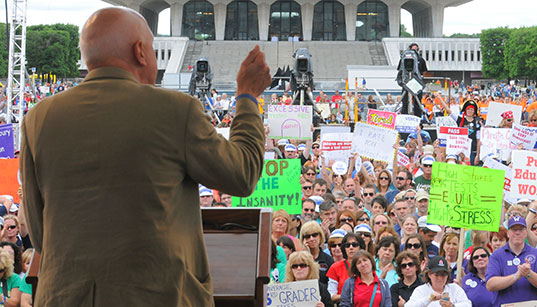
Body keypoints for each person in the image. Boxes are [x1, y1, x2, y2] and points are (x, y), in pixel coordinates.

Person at [19, 7, 270, 306]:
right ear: (140, 51)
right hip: (158, 296)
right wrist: (247, 97)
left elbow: (38, 228)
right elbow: (241, 175)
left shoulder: (39, 118)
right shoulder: (175, 110)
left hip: (63, 296)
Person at [486, 217, 537, 306]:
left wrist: (529, 274)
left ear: (526, 232)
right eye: (514, 229)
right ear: (508, 233)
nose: (517, 232)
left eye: (521, 229)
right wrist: (516, 276)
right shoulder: (497, 255)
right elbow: (490, 284)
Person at [405, 255, 471, 307]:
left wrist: (452, 306)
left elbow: (468, 304)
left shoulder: (455, 289)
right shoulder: (421, 290)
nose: (440, 278)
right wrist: (429, 299)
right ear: (429, 274)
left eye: (443, 274)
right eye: (437, 274)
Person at [327, 233, 366, 303]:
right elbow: (331, 296)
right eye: (347, 245)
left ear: (361, 247)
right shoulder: (335, 267)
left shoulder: (367, 266)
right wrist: (350, 295)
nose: (351, 247)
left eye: (354, 245)